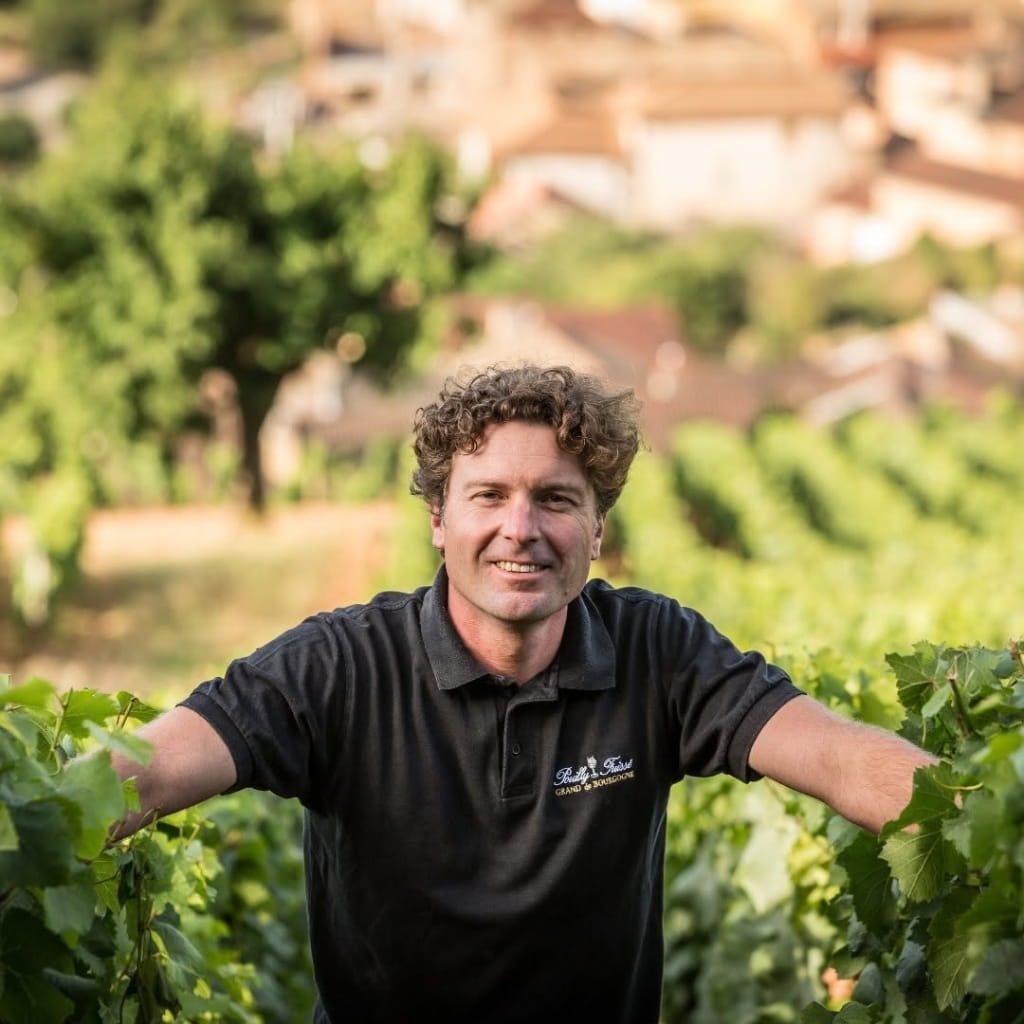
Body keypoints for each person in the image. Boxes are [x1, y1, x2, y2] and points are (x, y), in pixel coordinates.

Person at [110, 363, 935, 1024]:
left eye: (555, 499)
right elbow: (147, 770)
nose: (521, 528)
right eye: (489, 496)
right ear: (438, 517)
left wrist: (977, 823)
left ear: (599, 528)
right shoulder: (339, 665)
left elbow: (835, 756)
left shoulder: (656, 649)